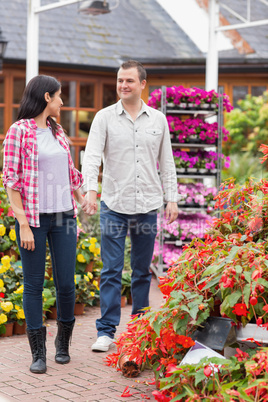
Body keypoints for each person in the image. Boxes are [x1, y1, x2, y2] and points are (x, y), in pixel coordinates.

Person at [81, 60, 178, 352]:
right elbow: (92, 156)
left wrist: (171, 197)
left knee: (140, 271)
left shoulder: (158, 120)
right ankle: (106, 331)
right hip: (114, 203)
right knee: (111, 269)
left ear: (142, 84)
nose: (123, 85)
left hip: (147, 205)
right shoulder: (104, 118)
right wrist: (90, 190)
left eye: (129, 81)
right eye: (120, 80)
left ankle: (140, 329)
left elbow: (168, 162)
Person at [3, 75, 85, 374]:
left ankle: (62, 344)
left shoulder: (57, 130)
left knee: (66, 283)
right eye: (60, 96)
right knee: (34, 285)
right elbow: (10, 181)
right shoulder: (18, 131)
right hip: (34, 220)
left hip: (64, 216)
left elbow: (69, 170)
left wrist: (83, 195)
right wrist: (23, 223)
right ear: (47, 97)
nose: (63, 102)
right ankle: (38, 353)